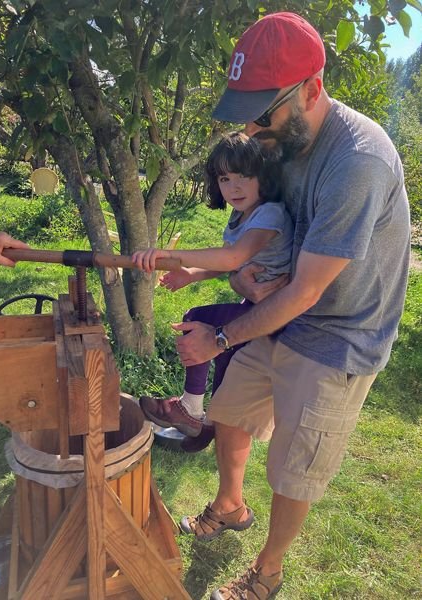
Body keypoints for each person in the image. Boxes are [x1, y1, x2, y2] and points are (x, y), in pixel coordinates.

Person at [171, 12, 410, 600]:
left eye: (265, 112)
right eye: (247, 114)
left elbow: (306, 291)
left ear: (311, 89)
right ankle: (229, 504)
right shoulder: (283, 141)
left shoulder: (357, 162)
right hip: (284, 315)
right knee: (228, 409)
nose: (253, 130)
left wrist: (221, 338)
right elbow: (263, 242)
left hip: (336, 336)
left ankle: (268, 572)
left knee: (292, 469)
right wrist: (218, 272)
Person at [132, 132, 293, 452]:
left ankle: (190, 408)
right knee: (224, 364)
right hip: (257, 304)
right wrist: (191, 275)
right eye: (225, 178)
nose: (234, 187)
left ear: (263, 176)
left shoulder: (269, 214)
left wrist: (170, 256)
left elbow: (233, 258)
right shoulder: (240, 216)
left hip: (279, 312)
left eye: (245, 177)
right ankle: (201, 430)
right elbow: (228, 263)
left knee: (197, 319)